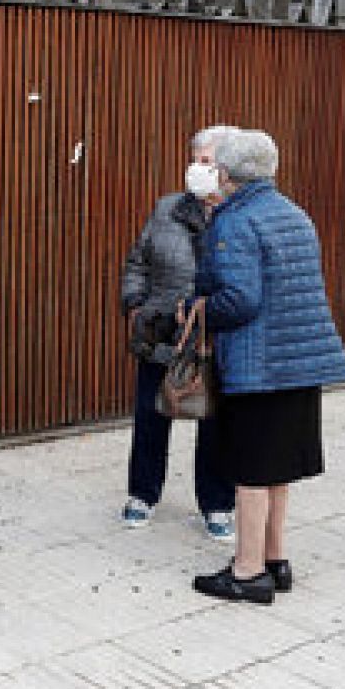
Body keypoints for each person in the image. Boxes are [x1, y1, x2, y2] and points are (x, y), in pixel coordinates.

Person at [184, 129, 345, 605]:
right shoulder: (294, 213)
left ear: (228, 173)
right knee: (278, 469)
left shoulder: (235, 221)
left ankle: (248, 571)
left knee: (251, 474)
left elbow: (240, 300)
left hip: (259, 366)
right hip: (299, 362)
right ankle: (276, 560)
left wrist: (197, 309)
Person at [119, 126, 237, 539]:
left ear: (227, 169)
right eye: (195, 159)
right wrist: (135, 305)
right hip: (161, 331)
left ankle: (218, 504)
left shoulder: (238, 215)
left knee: (216, 424)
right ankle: (142, 495)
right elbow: (138, 260)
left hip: (213, 336)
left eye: (206, 162)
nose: (196, 168)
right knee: (151, 417)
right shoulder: (167, 208)